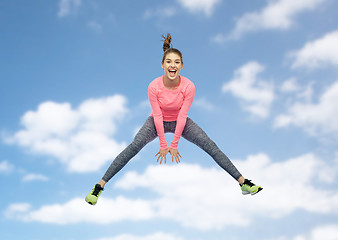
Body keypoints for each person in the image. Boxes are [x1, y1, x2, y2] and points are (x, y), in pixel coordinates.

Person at [85, 33, 263, 205]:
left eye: (176, 62)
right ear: (162, 65)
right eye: (169, 62)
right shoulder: (154, 86)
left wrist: (174, 144)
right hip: (156, 121)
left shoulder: (189, 86)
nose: (173, 65)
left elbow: (183, 115)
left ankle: (243, 182)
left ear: (182, 66)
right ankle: (99, 186)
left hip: (180, 121)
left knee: (209, 145)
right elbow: (158, 115)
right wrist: (164, 144)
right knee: (134, 147)